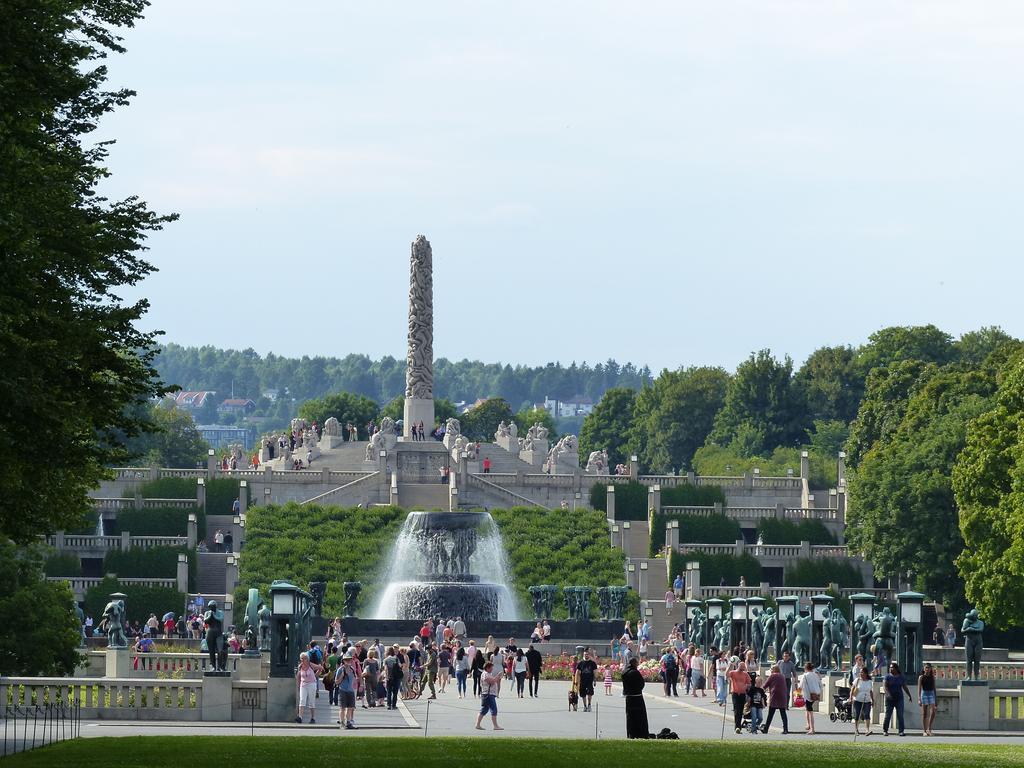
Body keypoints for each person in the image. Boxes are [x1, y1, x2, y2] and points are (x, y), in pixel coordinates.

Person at [621, 657, 649, 739]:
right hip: (637, 697)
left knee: (630, 717)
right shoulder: (635, 672)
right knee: (640, 717)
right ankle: (641, 733)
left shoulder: (624, 672)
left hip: (629, 697)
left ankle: (631, 733)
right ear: (634, 663)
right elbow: (641, 683)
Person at [883, 662, 912, 736]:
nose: (890, 669)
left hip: (899, 698)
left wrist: (909, 695)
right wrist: (888, 694)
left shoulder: (901, 677)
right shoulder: (887, 677)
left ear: (896, 669)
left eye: (892, 667)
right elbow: (885, 686)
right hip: (890, 699)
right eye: (890, 667)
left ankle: (901, 731)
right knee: (888, 715)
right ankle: (885, 730)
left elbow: (904, 686)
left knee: (900, 715)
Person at [475, 662, 504, 731]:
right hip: (488, 694)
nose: (492, 669)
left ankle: (477, 724)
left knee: (484, 709)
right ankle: (495, 726)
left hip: (488, 694)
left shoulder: (487, 674)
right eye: (491, 667)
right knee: (494, 709)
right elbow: (492, 682)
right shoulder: (485, 674)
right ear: (487, 668)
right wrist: (498, 676)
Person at [295, 651, 322, 724]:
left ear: (307, 659)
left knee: (311, 701)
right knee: (302, 700)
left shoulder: (311, 665)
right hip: (303, 684)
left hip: (311, 684)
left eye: (303, 659)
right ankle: (300, 717)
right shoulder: (300, 666)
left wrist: (316, 675)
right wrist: (298, 686)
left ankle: (313, 717)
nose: (302, 660)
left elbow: (320, 668)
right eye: (301, 659)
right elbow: (298, 676)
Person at [762, 663, 790, 734]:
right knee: (783, 713)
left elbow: (765, 685)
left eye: (771, 669)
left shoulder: (772, 676)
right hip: (782, 696)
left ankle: (766, 728)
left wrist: (760, 690)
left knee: (770, 714)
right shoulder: (782, 676)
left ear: (774, 670)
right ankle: (785, 729)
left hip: (774, 696)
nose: (771, 670)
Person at [336, 649, 358, 729]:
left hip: (350, 690)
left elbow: (355, 678)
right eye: (346, 660)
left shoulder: (352, 669)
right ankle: (342, 723)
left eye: (350, 659)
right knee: (342, 708)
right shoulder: (340, 669)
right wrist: (342, 675)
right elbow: (336, 682)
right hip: (343, 690)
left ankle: (348, 722)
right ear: (343, 661)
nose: (348, 661)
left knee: (350, 707)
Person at [849, 667, 874, 736]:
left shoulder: (869, 681)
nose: (861, 674)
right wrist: (850, 698)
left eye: (862, 672)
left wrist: (872, 699)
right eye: (860, 672)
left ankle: (867, 730)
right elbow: (852, 689)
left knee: (867, 714)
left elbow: (871, 691)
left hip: (867, 700)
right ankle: (856, 730)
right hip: (857, 700)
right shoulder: (857, 680)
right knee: (857, 715)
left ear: (866, 673)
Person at [728, 657, 751, 732]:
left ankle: (738, 727)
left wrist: (746, 686)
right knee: (736, 710)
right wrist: (730, 665)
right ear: (738, 666)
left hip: (742, 693)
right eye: (741, 666)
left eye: (743, 667)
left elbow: (749, 683)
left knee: (740, 711)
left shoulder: (745, 674)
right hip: (735, 693)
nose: (743, 668)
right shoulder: (733, 673)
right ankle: (737, 727)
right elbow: (727, 675)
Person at [798, 662, 822, 734]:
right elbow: (820, 685)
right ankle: (808, 725)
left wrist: (797, 693)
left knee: (810, 711)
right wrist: (818, 692)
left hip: (808, 695)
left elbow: (800, 686)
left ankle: (812, 729)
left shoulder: (804, 676)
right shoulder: (816, 675)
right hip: (815, 694)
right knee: (808, 709)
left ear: (805, 668)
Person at [919, 662, 937, 736]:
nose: (927, 669)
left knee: (933, 711)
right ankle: (924, 730)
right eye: (926, 667)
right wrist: (919, 698)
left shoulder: (932, 677)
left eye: (928, 668)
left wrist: (935, 698)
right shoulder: (921, 677)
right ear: (924, 669)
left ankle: (929, 728)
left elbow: (934, 688)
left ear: (930, 669)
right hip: (924, 694)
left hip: (931, 693)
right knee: (924, 713)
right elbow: (919, 688)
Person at [383, 646, 403, 710]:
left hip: (389, 677)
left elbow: (385, 669)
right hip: (396, 677)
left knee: (389, 691)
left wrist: (386, 677)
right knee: (395, 692)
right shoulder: (396, 658)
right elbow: (400, 665)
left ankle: (389, 705)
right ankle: (394, 705)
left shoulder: (386, 659)